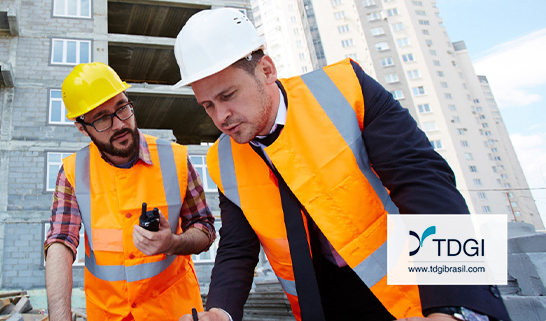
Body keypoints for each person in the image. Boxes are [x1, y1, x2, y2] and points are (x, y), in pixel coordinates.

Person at [172, 8, 510, 321]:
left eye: (228, 95)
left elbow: (423, 183)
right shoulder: (222, 158)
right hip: (323, 306)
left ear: (266, 71)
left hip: (416, 295)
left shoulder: (347, 88)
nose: (220, 117)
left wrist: (452, 306)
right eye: (207, 105)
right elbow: (236, 248)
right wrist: (220, 311)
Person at [43, 62, 217, 321]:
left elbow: (205, 228)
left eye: (122, 108)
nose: (119, 124)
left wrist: (173, 242)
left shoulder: (175, 159)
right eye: (102, 119)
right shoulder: (72, 172)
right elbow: (60, 242)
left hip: (173, 313)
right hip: (108, 314)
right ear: (82, 127)